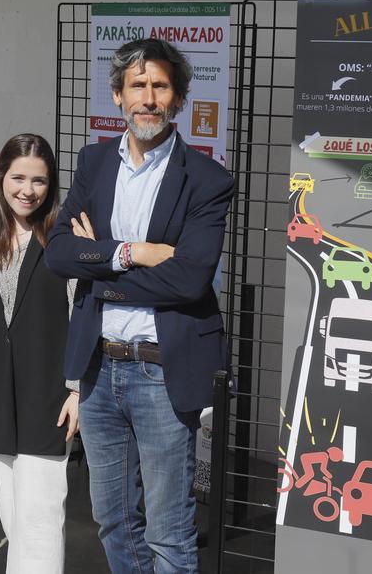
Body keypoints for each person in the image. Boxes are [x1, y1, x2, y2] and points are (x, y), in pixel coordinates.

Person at [45, 37, 235, 573]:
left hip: (161, 370)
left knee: (169, 533)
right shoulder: (94, 162)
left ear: (177, 99)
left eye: (160, 86)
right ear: (117, 96)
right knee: (112, 520)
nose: (148, 98)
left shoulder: (207, 179)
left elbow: (189, 279)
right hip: (99, 368)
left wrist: (101, 267)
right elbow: (60, 253)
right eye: (137, 86)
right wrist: (135, 253)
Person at [0, 133, 79, 574]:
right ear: (1, 176)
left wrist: (77, 390)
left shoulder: (61, 240)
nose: (28, 190)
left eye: (40, 181)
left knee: (41, 517)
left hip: (47, 395)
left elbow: (80, 315)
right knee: (12, 518)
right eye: (19, 177)